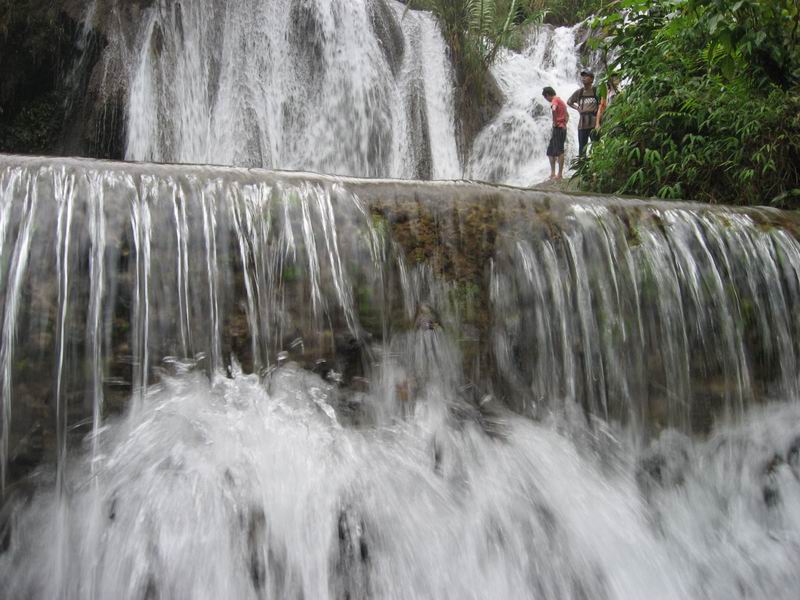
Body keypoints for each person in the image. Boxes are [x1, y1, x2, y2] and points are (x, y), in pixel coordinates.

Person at [568, 70, 599, 158]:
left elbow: (602, 105)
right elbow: (569, 102)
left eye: (586, 76)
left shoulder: (596, 90)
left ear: (592, 79)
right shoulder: (579, 92)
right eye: (582, 76)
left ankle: (596, 166)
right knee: (582, 148)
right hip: (582, 124)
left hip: (594, 123)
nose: (583, 78)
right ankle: (582, 167)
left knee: (596, 146)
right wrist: (577, 108)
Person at [542, 86, 568, 180]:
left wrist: (555, 122)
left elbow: (553, 109)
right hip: (561, 128)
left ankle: (560, 174)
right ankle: (553, 173)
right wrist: (564, 123)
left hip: (559, 129)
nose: (547, 100)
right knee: (550, 151)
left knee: (560, 151)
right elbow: (567, 115)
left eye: (545, 98)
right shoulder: (561, 101)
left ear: (548, 95)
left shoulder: (555, 100)